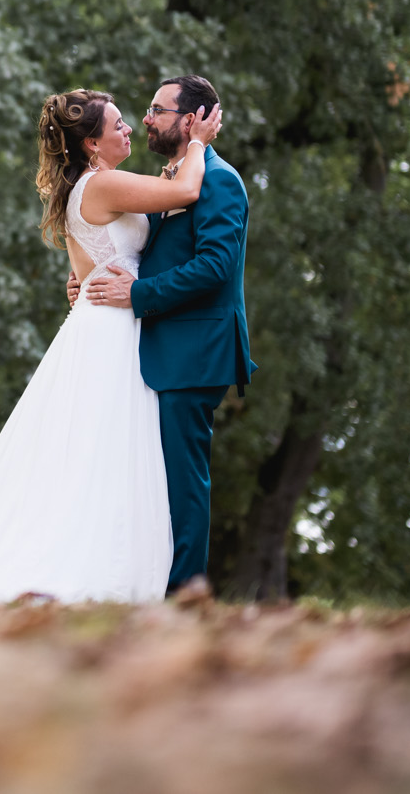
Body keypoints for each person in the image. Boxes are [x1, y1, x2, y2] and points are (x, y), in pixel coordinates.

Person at [0, 87, 222, 602]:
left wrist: (81, 277)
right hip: (111, 333)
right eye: (118, 125)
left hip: (109, 321)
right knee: (106, 454)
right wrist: (198, 141)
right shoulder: (103, 185)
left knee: (97, 453)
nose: (129, 129)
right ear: (92, 145)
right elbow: (188, 192)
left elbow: (93, 252)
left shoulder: (89, 186)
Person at [79, 74, 255, 595]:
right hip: (160, 348)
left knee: (184, 485)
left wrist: (136, 295)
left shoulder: (219, 180)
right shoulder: (172, 177)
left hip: (194, 350)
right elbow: (144, 252)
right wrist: (91, 279)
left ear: (193, 119)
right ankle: (151, 589)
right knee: (153, 482)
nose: (147, 119)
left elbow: (215, 266)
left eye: (158, 109)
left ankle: (185, 598)